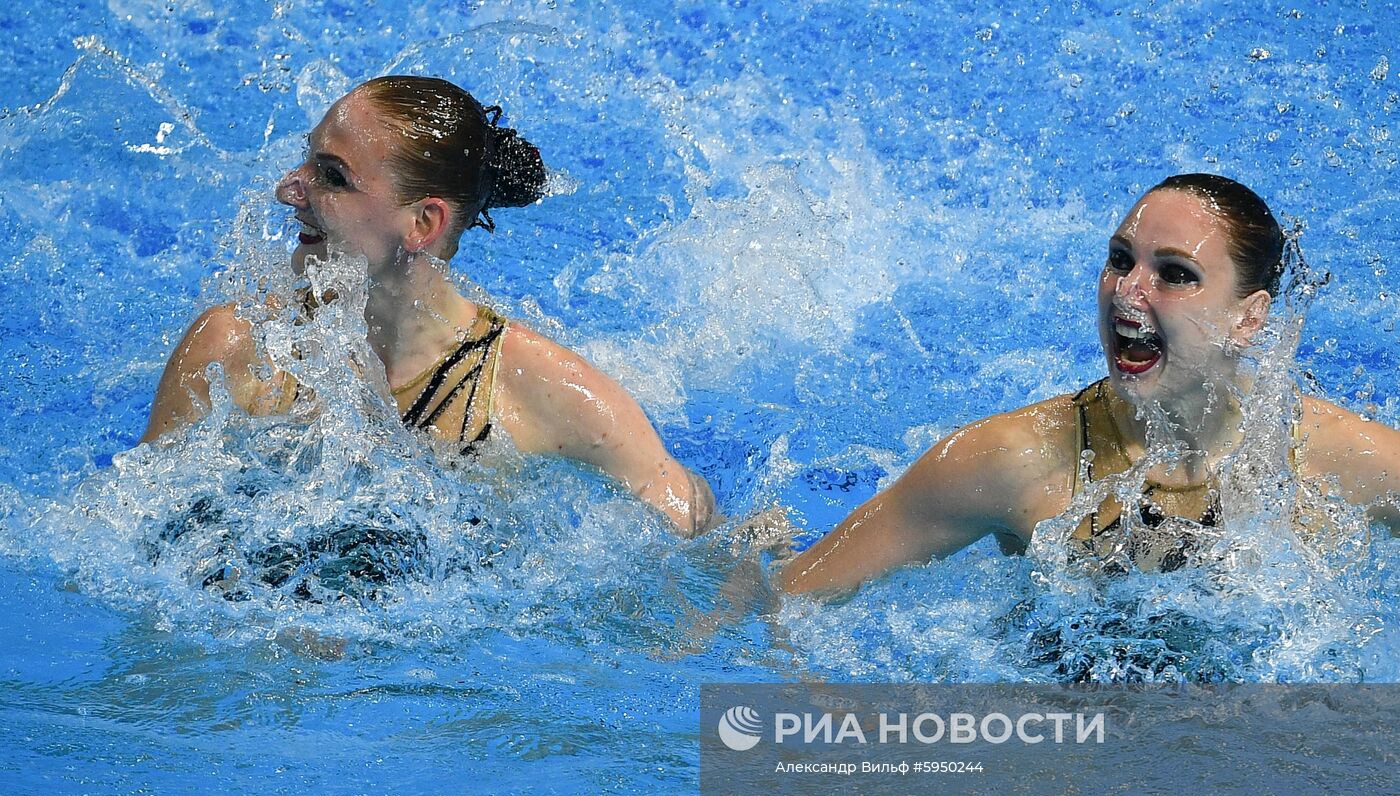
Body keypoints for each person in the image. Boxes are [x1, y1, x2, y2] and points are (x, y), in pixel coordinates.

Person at [142, 76, 715, 537]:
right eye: (306, 161)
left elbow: (689, 524)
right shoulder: (237, 348)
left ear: (423, 223)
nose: (289, 189)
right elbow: (134, 527)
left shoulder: (540, 389)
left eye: (331, 176)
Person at [782, 173, 1400, 596]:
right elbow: (795, 597)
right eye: (1121, 259)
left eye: (1175, 274)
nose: (1127, 292)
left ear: (1249, 318)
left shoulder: (1342, 460)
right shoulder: (1012, 460)